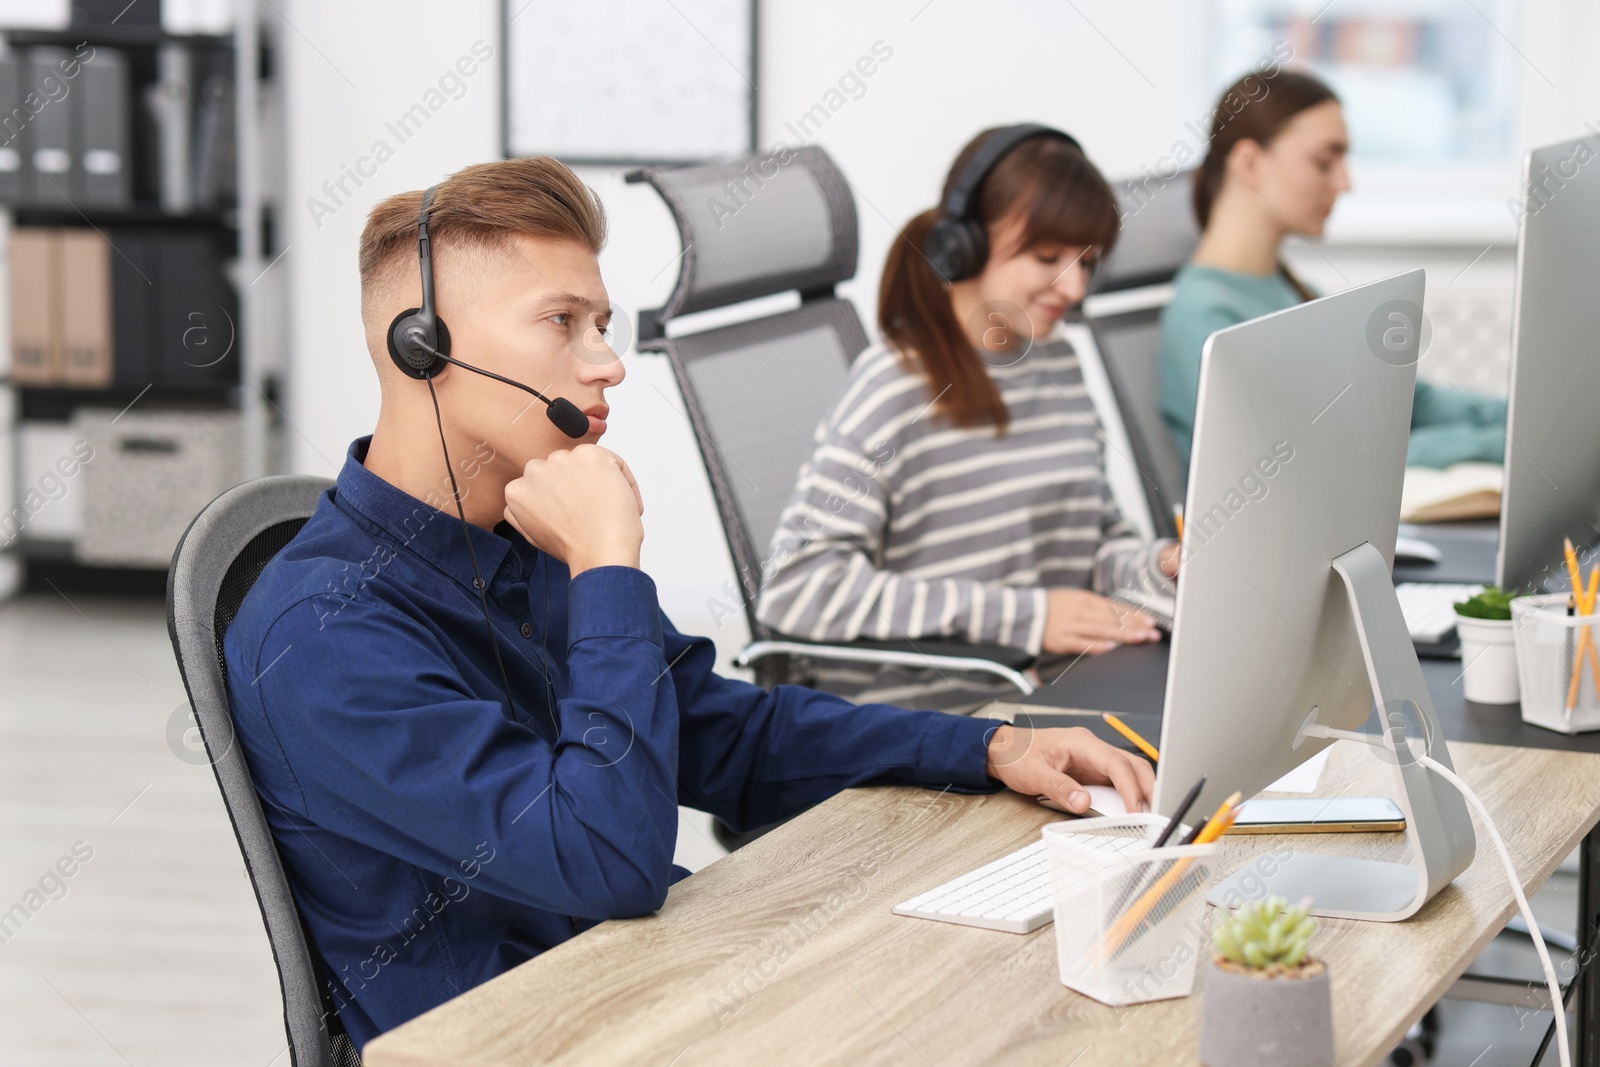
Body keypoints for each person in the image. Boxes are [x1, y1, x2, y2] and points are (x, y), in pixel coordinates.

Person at [220, 156, 1154, 1051]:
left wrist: (988, 747)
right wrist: (606, 568)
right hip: (536, 1033)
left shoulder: (515, 540)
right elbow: (604, 860)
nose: (608, 363)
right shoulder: (325, 633)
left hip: (651, 981)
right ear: (423, 347)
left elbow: (724, 738)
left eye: (604, 323)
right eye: (561, 322)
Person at [757, 126, 1178, 713]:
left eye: (1087, 263)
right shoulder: (896, 385)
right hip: (936, 715)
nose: (1076, 287)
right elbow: (797, 590)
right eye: (1049, 258)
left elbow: (1091, 542)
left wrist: (1159, 568)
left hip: (1054, 689)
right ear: (966, 247)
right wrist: (1028, 618)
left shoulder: (1057, 359)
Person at [1159, 70, 1507, 469]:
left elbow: (1409, 402)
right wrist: (1497, 447)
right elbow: (1316, 464)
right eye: (1324, 162)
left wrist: (1523, 420)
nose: (1344, 182)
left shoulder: (1295, 292)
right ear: (1249, 164)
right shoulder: (1205, 318)